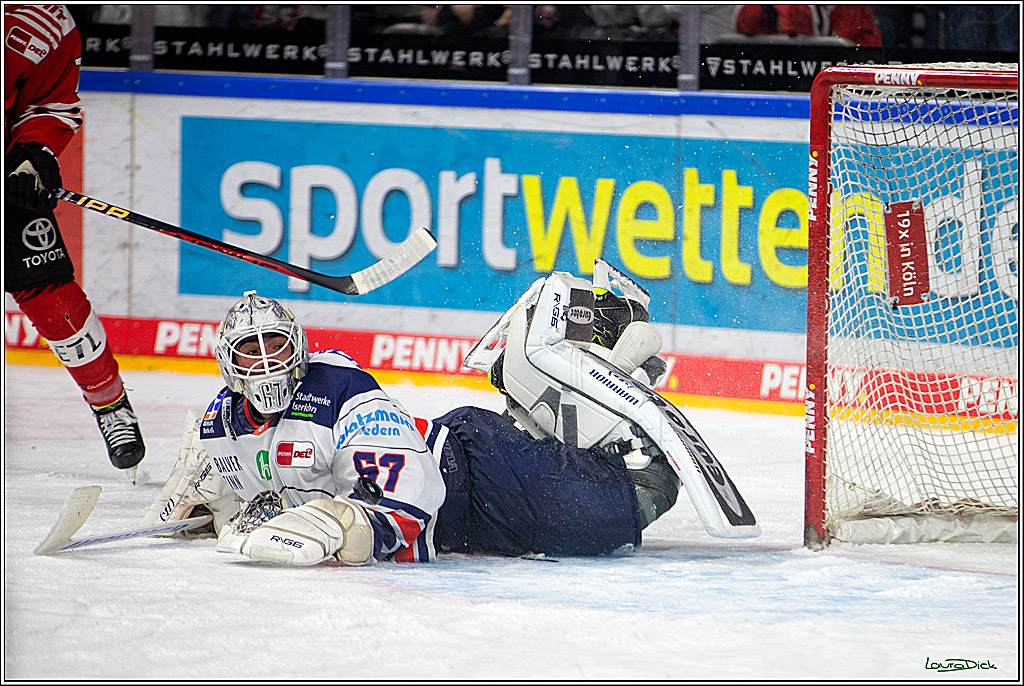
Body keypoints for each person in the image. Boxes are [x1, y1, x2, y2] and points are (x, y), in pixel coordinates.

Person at [143, 278, 682, 566]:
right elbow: (255, 494)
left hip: (479, 478)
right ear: (227, 363)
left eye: (276, 346)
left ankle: (609, 353)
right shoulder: (221, 428)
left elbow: (414, 491)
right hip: (472, 512)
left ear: (299, 348)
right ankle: (560, 420)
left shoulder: (335, 386)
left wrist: (350, 523)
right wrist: (206, 514)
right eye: (250, 351)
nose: (266, 363)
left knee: (641, 492)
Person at [4, 4, 145, 476]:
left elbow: (49, 105)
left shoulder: (39, 19)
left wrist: (33, 154)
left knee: (53, 299)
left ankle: (110, 404)